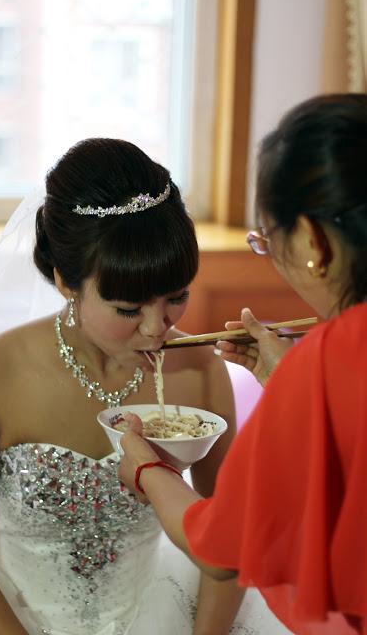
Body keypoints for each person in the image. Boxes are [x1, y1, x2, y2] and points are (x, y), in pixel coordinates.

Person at [0, 136, 262, 635]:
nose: (158, 327)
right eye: (128, 309)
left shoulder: (198, 368)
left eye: (175, 297)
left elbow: (231, 537)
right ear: (66, 281)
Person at [118, 93, 367, 635]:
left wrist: (146, 468)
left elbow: (223, 547)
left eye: (266, 240)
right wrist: (291, 386)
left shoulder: (326, 360)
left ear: (314, 240)